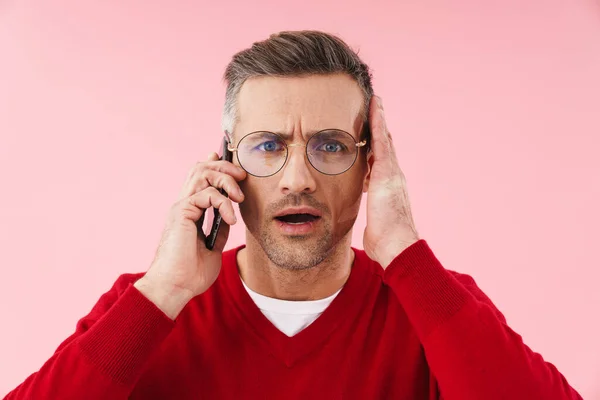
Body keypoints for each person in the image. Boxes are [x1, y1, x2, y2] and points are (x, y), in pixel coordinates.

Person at [4, 30, 582, 400]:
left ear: (370, 164)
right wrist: (165, 289)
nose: (298, 178)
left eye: (330, 145)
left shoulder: (433, 307)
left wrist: (405, 253)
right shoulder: (151, 309)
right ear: (226, 163)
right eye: (268, 145)